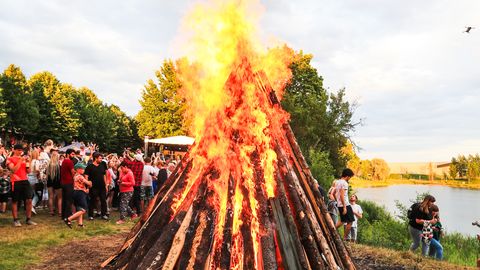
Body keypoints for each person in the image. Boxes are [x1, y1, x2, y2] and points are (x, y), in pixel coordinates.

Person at [6, 144, 37, 226]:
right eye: (18, 150)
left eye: (21, 150)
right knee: (15, 201)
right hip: (15, 181)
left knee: (29, 199)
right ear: (14, 150)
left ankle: (28, 219)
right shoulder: (10, 159)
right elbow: (13, 170)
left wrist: (28, 163)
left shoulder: (24, 159)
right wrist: (20, 160)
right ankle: (15, 220)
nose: (20, 151)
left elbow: (29, 171)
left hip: (25, 180)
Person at [65, 162, 91, 228]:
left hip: (76, 192)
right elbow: (88, 183)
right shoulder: (80, 176)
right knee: (84, 209)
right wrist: (90, 182)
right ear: (78, 169)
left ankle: (80, 224)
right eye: (82, 169)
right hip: (80, 193)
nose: (84, 170)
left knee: (79, 208)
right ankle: (68, 219)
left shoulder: (75, 176)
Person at [85, 152, 108, 220]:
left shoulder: (102, 165)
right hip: (93, 187)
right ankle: (90, 215)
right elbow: (86, 176)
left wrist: (106, 185)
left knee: (103, 200)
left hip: (102, 186)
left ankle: (103, 214)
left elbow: (104, 175)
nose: (101, 159)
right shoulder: (90, 166)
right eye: (100, 158)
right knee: (92, 201)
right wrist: (88, 186)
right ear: (95, 158)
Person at [334, 168, 355, 240]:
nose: (350, 179)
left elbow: (335, 194)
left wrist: (338, 202)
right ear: (347, 176)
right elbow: (342, 195)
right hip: (345, 204)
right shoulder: (344, 183)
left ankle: (332, 230)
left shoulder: (337, 182)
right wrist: (345, 207)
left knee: (342, 220)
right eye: (350, 177)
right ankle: (345, 238)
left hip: (340, 204)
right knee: (351, 221)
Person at [60, 149, 76, 220]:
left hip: (63, 183)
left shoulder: (64, 161)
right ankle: (67, 216)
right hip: (69, 183)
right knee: (69, 200)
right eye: (72, 154)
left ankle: (64, 216)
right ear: (68, 154)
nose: (73, 156)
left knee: (64, 200)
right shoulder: (69, 161)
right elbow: (73, 173)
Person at [46, 150, 62, 216]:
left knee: (50, 197)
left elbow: (46, 173)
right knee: (59, 197)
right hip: (57, 181)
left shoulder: (48, 165)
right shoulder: (59, 165)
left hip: (50, 181)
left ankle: (51, 211)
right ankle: (60, 212)